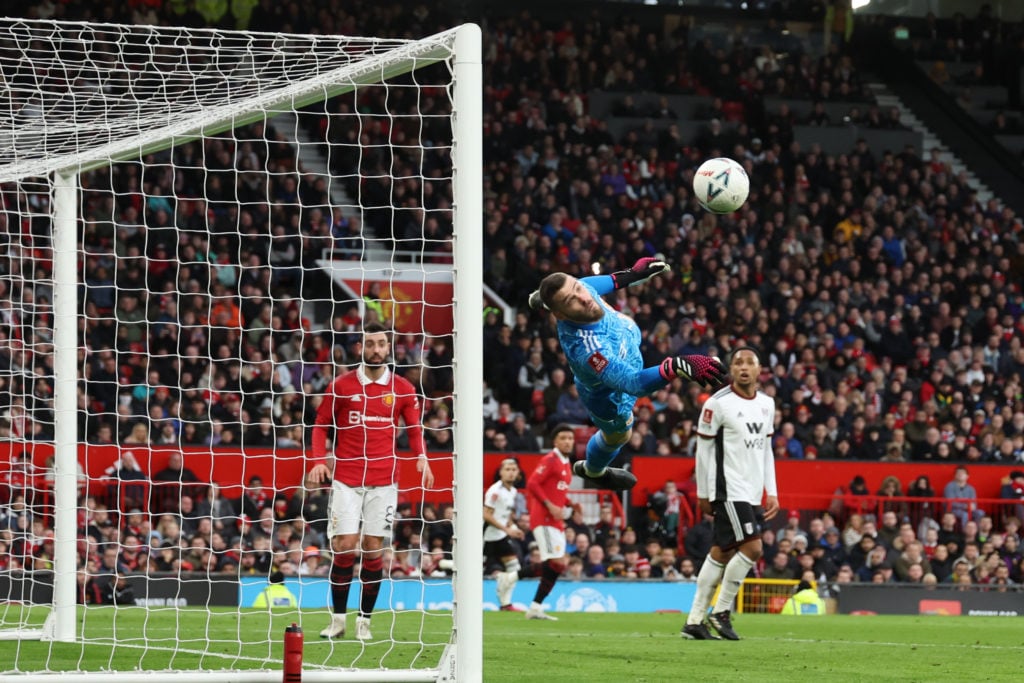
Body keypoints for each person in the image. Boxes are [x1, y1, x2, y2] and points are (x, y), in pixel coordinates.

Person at [529, 263, 725, 490]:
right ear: (560, 314)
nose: (583, 297)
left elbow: (608, 281)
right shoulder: (588, 350)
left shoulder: (582, 288)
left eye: (577, 287)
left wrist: (632, 274)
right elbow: (633, 383)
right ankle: (593, 470)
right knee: (620, 436)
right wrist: (676, 366)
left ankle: (540, 299)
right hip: (611, 397)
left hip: (626, 347)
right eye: (570, 300)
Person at [308, 322, 434, 641]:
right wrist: (318, 461)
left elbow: (415, 428)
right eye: (370, 344)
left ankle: (364, 621)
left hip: (383, 480)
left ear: (389, 347)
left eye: (381, 344)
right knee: (344, 546)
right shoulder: (341, 385)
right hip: (347, 479)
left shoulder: (403, 388)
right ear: (360, 348)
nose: (376, 349)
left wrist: (422, 456)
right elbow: (321, 425)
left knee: (373, 548)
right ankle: (338, 620)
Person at [681, 347, 778, 641]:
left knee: (721, 553)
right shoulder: (716, 404)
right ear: (731, 370)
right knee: (753, 549)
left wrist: (771, 491)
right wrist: (703, 492)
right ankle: (721, 612)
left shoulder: (767, 404)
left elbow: (766, 449)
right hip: (727, 488)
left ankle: (694, 621)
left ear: (760, 369)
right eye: (738, 363)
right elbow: (704, 451)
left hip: (751, 492)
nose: (744, 367)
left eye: (750, 362)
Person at [522, 423, 576, 620]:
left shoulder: (565, 462)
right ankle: (511, 579)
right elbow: (532, 483)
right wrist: (550, 505)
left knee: (557, 565)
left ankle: (535, 606)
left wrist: (572, 504)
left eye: (570, 438)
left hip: (555, 520)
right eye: (563, 438)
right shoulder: (550, 459)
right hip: (544, 519)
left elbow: (558, 490)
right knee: (557, 563)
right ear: (555, 441)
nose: (568, 442)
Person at [484, 458, 526, 611]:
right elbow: (486, 515)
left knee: (514, 566)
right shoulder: (495, 491)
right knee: (470, 568)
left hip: (499, 535)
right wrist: (507, 530)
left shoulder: (513, 491)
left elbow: (505, 514)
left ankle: (506, 604)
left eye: (513, 469)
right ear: (501, 472)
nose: (511, 472)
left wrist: (513, 527)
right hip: (486, 535)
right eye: (507, 469)